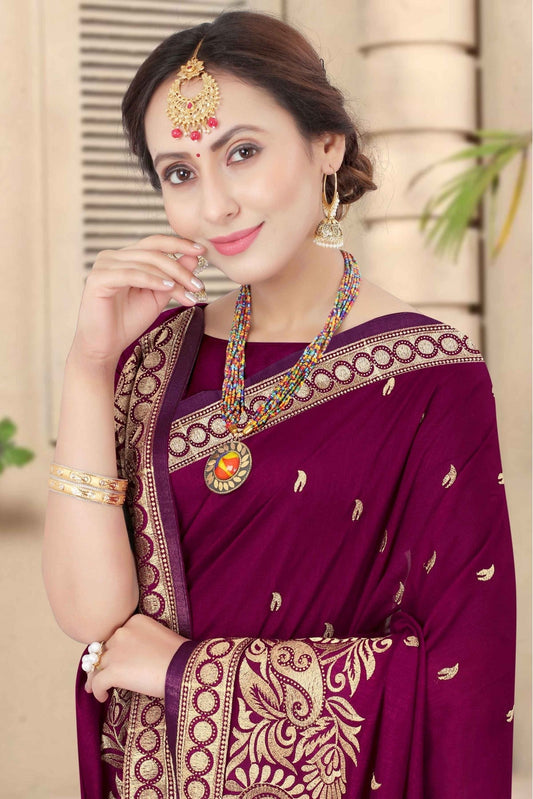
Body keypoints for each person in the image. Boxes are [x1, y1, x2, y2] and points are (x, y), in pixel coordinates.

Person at [42, 10, 516, 799]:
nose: (215, 204)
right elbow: (95, 619)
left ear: (326, 144)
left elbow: (458, 667)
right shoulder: (151, 359)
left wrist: (186, 672)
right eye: (180, 172)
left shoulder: (435, 376)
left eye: (242, 152)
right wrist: (89, 368)